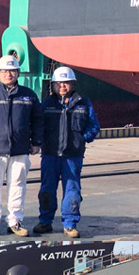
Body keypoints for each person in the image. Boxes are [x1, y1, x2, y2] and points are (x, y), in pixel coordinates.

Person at [0, 55, 40, 236]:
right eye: (4, 71)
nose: (8, 74)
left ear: (18, 73)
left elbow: (38, 120)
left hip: (20, 148)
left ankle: (15, 221)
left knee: (18, 185)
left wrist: (36, 142)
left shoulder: (29, 95)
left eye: (12, 71)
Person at [33, 67, 99, 237]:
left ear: (73, 84)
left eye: (66, 83)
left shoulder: (84, 104)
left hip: (72, 156)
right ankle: (45, 221)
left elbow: (93, 126)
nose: (62, 86)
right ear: (53, 85)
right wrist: (37, 142)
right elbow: (38, 125)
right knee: (47, 189)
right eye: (59, 83)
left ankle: (70, 224)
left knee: (72, 190)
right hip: (50, 154)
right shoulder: (46, 104)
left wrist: (82, 139)